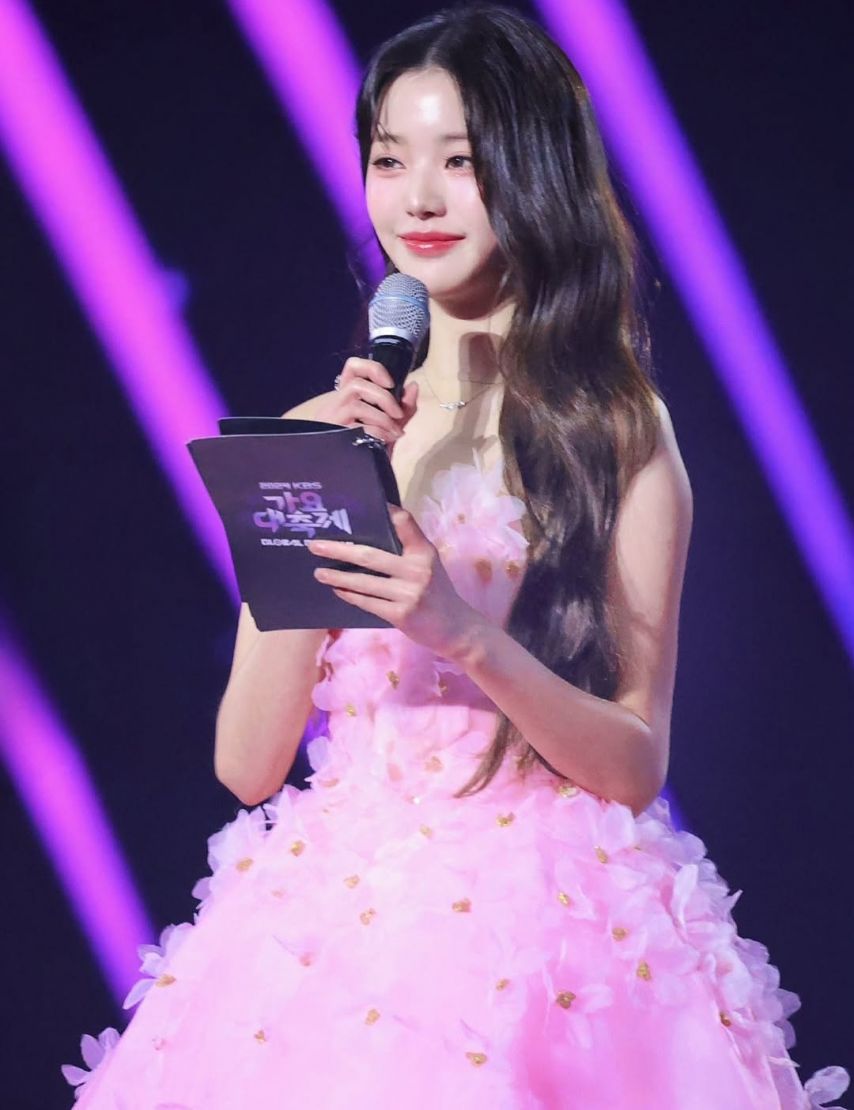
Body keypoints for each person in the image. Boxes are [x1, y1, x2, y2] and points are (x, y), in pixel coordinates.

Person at [63, 5, 848, 1107]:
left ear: (534, 173)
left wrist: (465, 634)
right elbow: (246, 763)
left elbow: (633, 762)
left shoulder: (614, 434)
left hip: (551, 931)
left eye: (460, 162)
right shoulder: (318, 432)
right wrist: (325, 485)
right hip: (332, 935)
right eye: (390, 160)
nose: (417, 200)